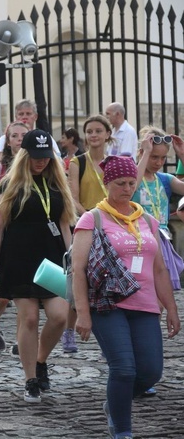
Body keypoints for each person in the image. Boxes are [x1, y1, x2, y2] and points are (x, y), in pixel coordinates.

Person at [72, 155, 180, 439]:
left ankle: (115, 403)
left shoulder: (146, 220)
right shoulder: (92, 219)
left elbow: (159, 268)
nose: (127, 188)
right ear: (107, 183)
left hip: (144, 304)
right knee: (123, 368)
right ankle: (122, 430)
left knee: (150, 372)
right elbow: (78, 270)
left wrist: (171, 308)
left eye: (132, 182)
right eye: (120, 183)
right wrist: (83, 313)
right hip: (107, 304)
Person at [0, 129, 77, 403]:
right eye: (36, 156)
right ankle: (30, 379)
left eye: (45, 156)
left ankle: (40, 360)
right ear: (25, 155)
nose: (41, 161)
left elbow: (64, 225)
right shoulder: (10, 184)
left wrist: (73, 261)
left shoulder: (58, 183)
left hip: (52, 258)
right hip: (18, 260)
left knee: (59, 316)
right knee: (30, 318)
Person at [65, 115, 114, 353]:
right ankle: (68, 329)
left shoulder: (113, 161)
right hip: (86, 225)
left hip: (111, 227)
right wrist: (92, 218)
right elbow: (73, 198)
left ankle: (110, 331)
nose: (93, 135)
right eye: (89, 131)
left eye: (98, 131)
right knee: (79, 276)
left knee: (110, 280)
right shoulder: (78, 162)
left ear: (107, 134)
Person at [0, 121, 28, 353]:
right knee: (2, 296)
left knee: (25, 296)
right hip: (4, 234)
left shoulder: (37, 165)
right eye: (14, 135)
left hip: (27, 237)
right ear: (8, 140)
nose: (19, 139)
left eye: (23, 135)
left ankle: (23, 341)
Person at [133, 127, 184, 291]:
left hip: (161, 241)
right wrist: (146, 152)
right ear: (142, 152)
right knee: (142, 290)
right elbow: (133, 186)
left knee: (160, 295)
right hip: (138, 241)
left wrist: (182, 155)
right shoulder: (132, 177)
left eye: (163, 158)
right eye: (154, 157)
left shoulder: (165, 179)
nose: (159, 163)